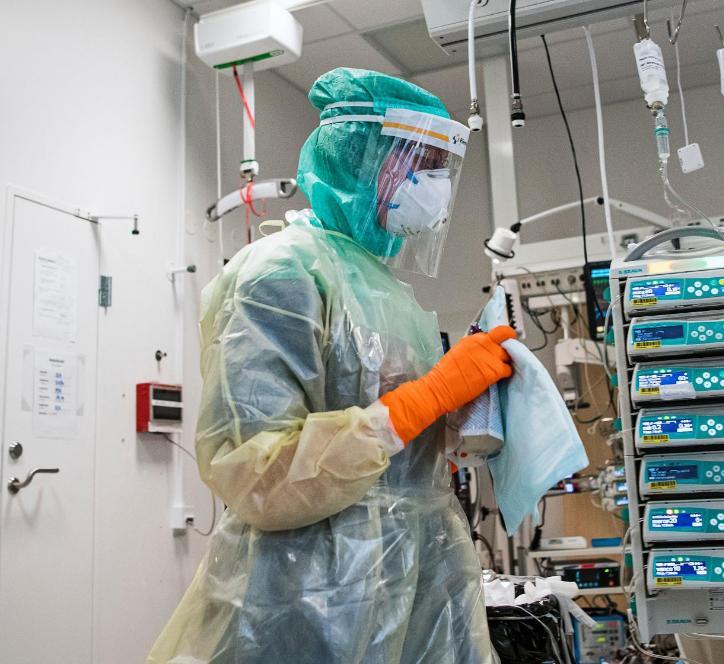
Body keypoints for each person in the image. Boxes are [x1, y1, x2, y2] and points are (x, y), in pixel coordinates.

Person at [149, 68, 510, 663]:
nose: (435, 186)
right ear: (363, 161)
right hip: (303, 598)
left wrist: (465, 412)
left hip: (414, 574)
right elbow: (256, 474)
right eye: (418, 164)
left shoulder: (391, 295)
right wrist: (422, 400)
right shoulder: (281, 273)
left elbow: (399, 447)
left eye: (440, 169)